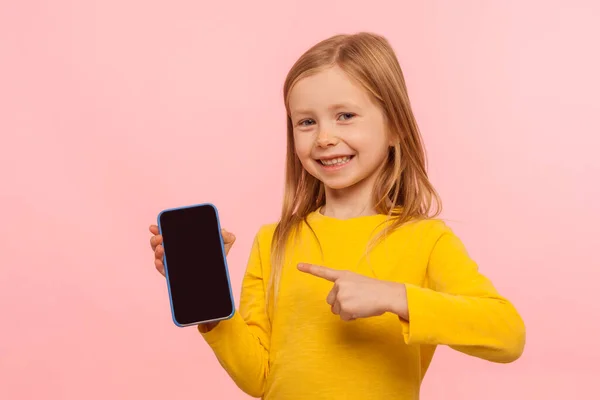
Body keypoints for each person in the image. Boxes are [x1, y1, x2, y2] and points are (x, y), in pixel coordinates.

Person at [148, 32, 526, 399]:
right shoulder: (273, 241)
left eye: (345, 115)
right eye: (306, 122)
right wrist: (209, 303)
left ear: (395, 127)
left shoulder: (425, 239)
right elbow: (258, 379)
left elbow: (507, 335)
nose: (324, 137)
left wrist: (395, 297)